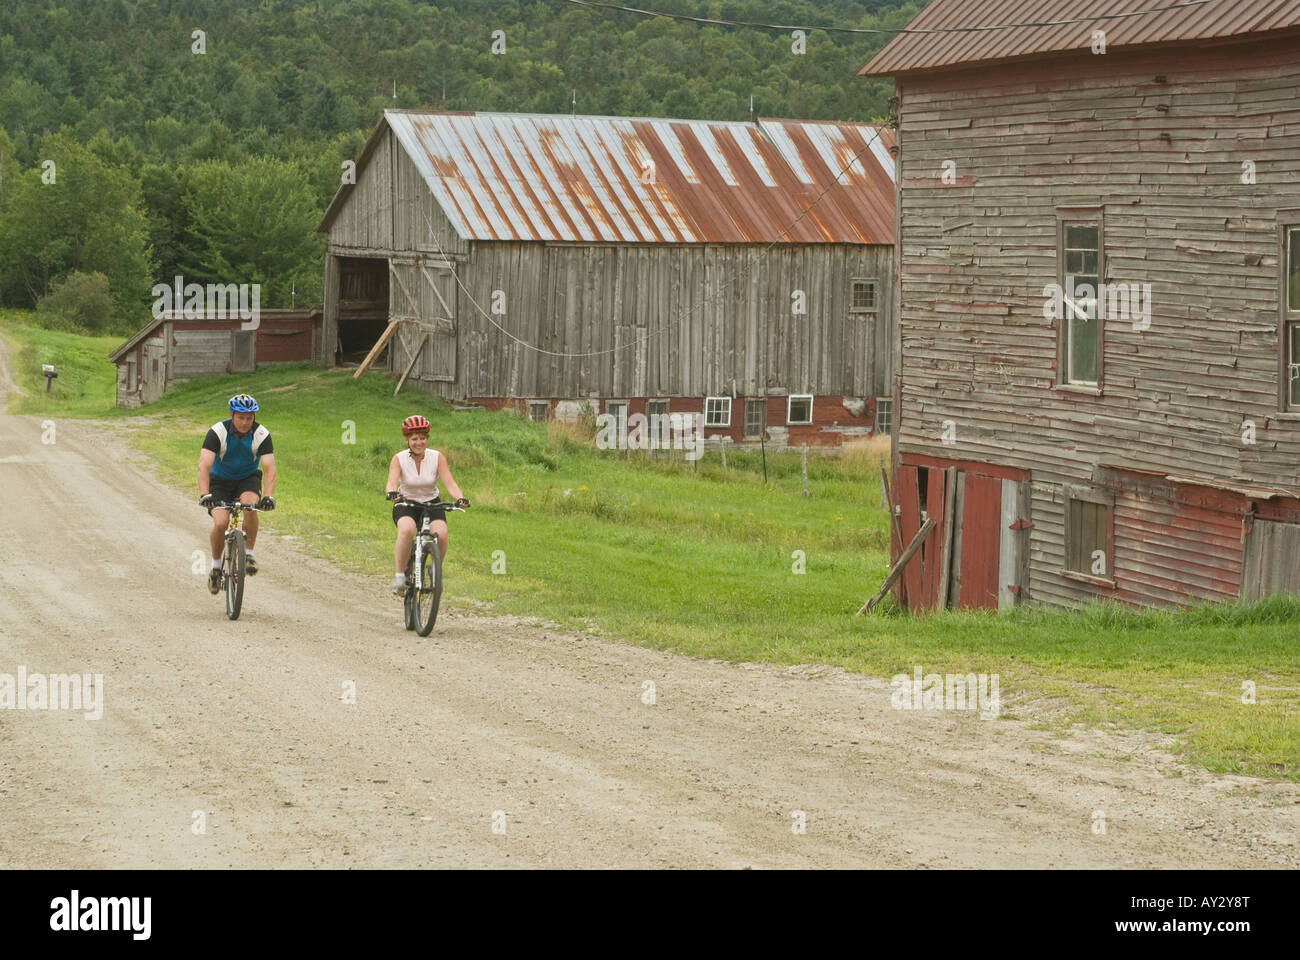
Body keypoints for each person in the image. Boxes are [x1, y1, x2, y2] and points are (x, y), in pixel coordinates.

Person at [197, 394, 276, 594]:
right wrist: (205, 494)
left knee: (251, 506)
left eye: (249, 417)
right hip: (219, 482)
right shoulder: (217, 432)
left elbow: (269, 467)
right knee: (221, 522)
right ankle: (216, 567)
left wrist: (268, 496)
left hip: (247, 479)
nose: (245, 422)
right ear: (232, 415)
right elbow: (204, 465)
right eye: (241, 417)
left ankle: (248, 554)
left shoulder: (261, 434)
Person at [385, 414, 468, 596]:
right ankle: (400, 576)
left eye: (422, 438)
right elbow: (391, 482)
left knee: (442, 535)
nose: (419, 442)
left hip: (431, 502)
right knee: (407, 530)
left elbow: (450, 483)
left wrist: (460, 498)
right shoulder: (398, 459)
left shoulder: (437, 457)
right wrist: (392, 493)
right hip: (406, 502)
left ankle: (434, 568)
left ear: (427, 439)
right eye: (414, 439)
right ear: (407, 440)